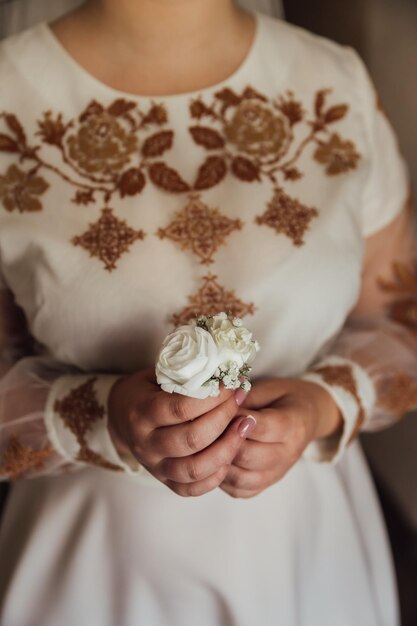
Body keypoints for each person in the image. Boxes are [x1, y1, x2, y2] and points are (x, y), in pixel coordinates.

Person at [0, 1, 415, 624]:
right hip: (93, 562)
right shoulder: (11, 95)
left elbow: (399, 321)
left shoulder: (334, 83)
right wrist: (104, 415)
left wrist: (318, 406)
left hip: (306, 550)